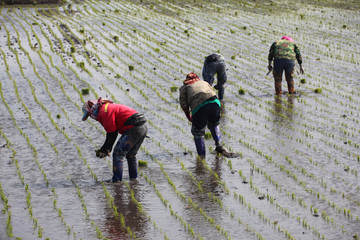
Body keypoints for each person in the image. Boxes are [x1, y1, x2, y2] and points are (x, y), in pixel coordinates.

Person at [82, 97, 147, 182]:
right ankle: (134, 180)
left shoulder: (104, 111)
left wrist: (105, 149)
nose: (91, 116)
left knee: (117, 154)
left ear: (92, 109)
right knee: (131, 155)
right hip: (142, 127)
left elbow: (112, 133)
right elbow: (112, 133)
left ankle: (116, 181)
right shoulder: (106, 107)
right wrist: (107, 148)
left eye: (89, 114)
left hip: (134, 128)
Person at [179, 72, 228, 159]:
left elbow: (184, 105)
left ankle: (201, 158)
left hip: (199, 106)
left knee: (198, 132)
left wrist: (189, 116)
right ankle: (219, 145)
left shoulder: (184, 88)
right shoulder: (204, 82)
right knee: (214, 124)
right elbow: (212, 93)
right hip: (215, 103)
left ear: (186, 80)